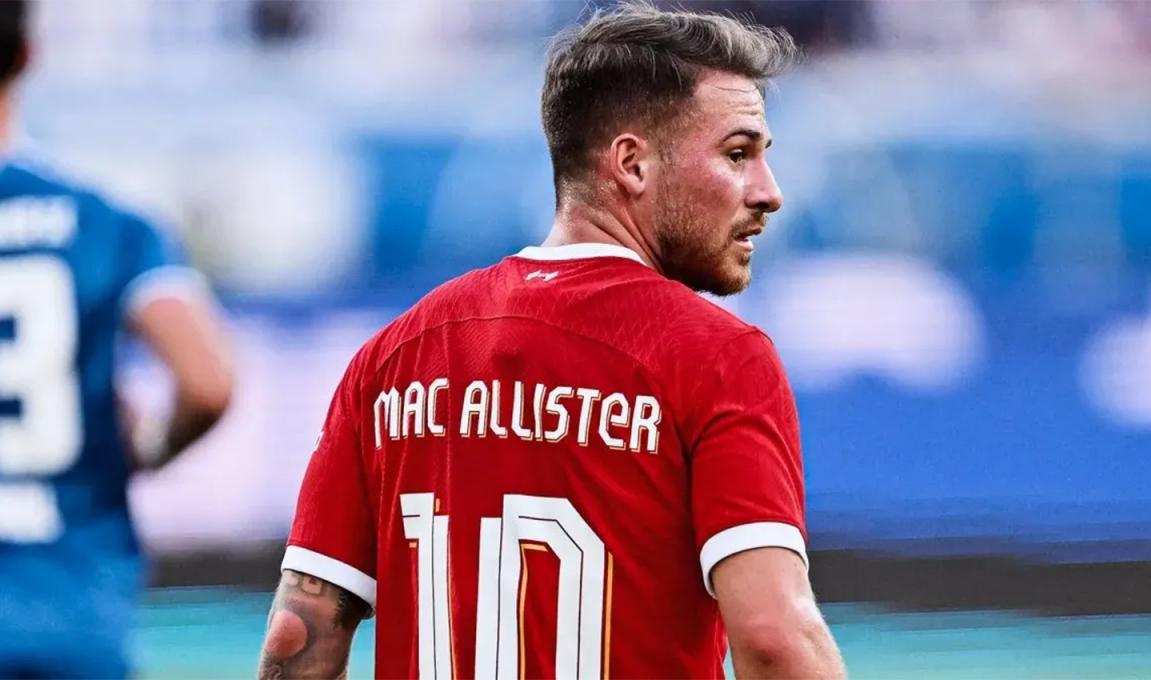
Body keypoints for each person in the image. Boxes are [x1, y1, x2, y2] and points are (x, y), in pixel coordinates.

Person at [259, 3, 844, 678]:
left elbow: (296, 636)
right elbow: (772, 638)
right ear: (632, 164)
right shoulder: (716, 355)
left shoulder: (393, 358)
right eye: (737, 154)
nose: (769, 192)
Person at [0, 2, 235, 677]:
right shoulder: (105, 223)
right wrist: (150, 445)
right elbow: (208, 383)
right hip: (70, 607)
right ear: (28, 55)